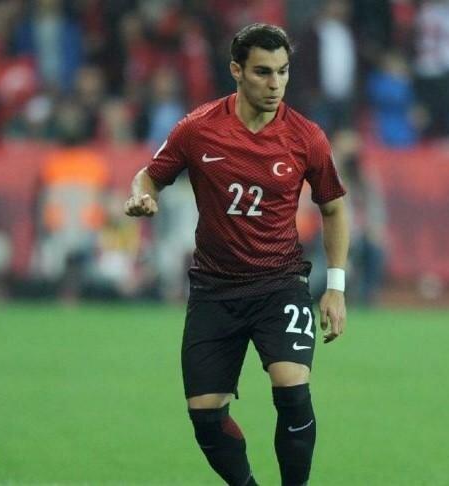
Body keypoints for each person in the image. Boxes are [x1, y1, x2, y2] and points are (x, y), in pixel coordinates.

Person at [124, 23, 349, 486]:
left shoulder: (306, 137)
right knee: (206, 417)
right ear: (236, 71)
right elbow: (150, 175)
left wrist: (336, 288)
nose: (275, 84)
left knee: (292, 388)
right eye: (263, 72)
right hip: (214, 291)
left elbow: (333, 207)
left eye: (283, 72)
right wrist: (143, 196)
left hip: (279, 284)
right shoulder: (198, 128)